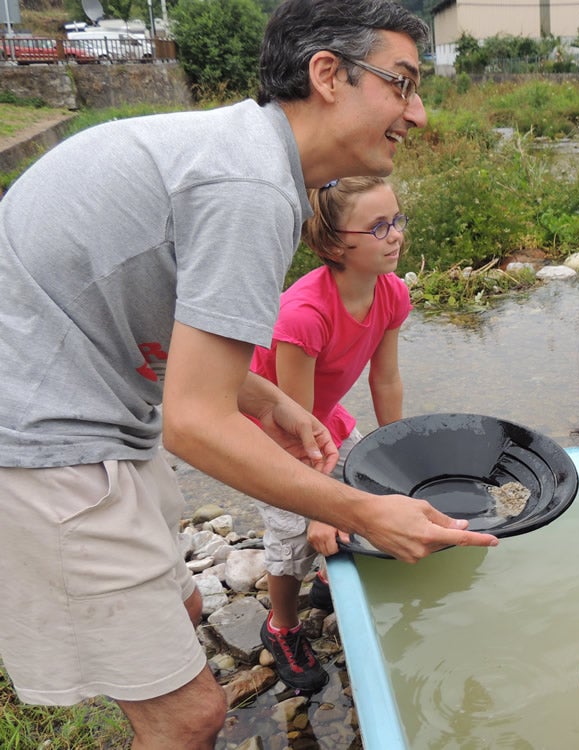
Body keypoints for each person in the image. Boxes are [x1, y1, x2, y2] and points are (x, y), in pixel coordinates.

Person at [0, 0, 498, 747]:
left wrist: (268, 400)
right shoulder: (252, 187)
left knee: (191, 611)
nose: (417, 113)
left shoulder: (243, 155)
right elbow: (197, 424)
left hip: (101, 407)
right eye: (401, 84)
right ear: (327, 75)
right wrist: (359, 511)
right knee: (189, 718)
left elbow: (168, 334)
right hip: (48, 443)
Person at [250, 176, 412, 692]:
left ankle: (327, 579)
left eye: (397, 219)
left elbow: (384, 378)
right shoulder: (303, 315)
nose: (395, 236)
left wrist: (404, 455)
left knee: (365, 486)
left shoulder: (390, 292)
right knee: (293, 534)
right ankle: (282, 627)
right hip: (272, 429)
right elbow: (293, 420)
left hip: (322, 415)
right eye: (378, 226)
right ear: (337, 242)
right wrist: (317, 509)